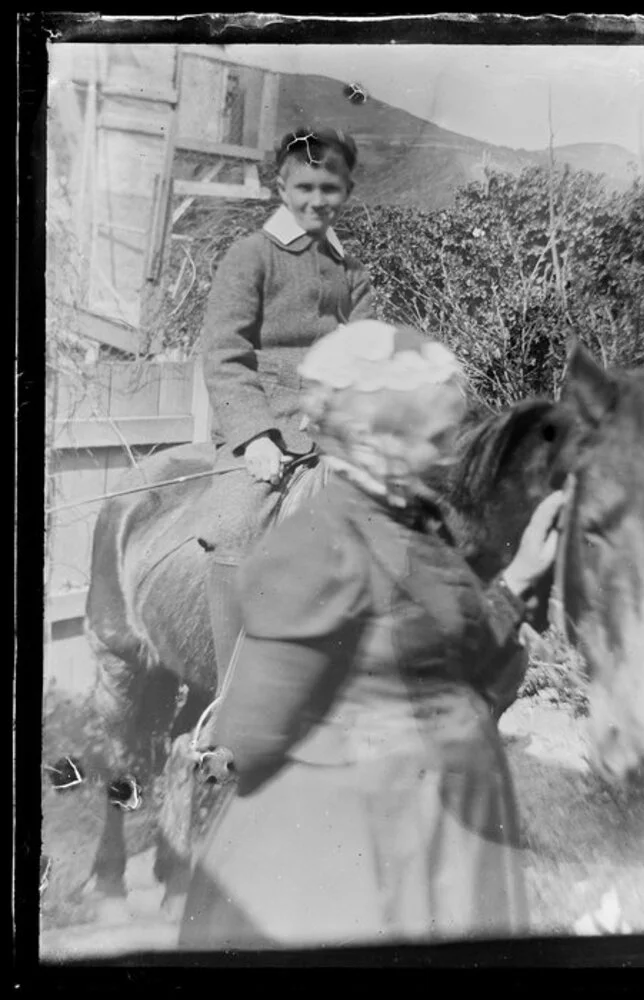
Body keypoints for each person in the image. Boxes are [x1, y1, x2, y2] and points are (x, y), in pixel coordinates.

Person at [179, 321, 565, 951]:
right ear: (371, 438)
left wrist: (518, 581)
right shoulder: (314, 548)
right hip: (356, 848)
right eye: (430, 434)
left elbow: (453, 648)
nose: (448, 451)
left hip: (447, 837)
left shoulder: (421, 533)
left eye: (445, 431)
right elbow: (251, 737)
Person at [198, 126, 375, 679]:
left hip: (335, 431)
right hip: (265, 432)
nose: (317, 200)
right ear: (281, 187)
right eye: (304, 187)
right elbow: (225, 352)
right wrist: (254, 435)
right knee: (234, 523)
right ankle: (232, 698)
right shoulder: (250, 256)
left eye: (330, 187)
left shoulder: (353, 272)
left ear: (348, 189)